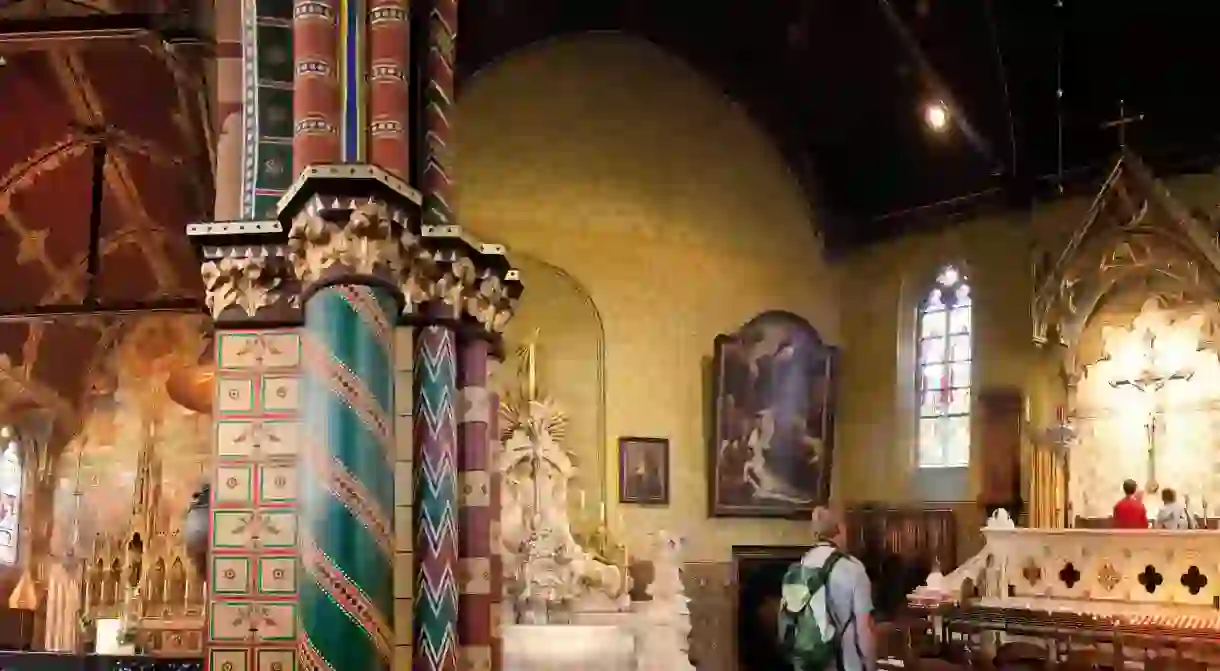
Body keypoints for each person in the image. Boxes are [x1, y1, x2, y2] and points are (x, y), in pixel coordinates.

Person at [778, 507, 876, 671]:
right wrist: (871, 665)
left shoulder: (800, 567)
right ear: (840, 530)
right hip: (845, 664)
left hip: (806, 663)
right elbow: (863, 629)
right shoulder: (853, 568)